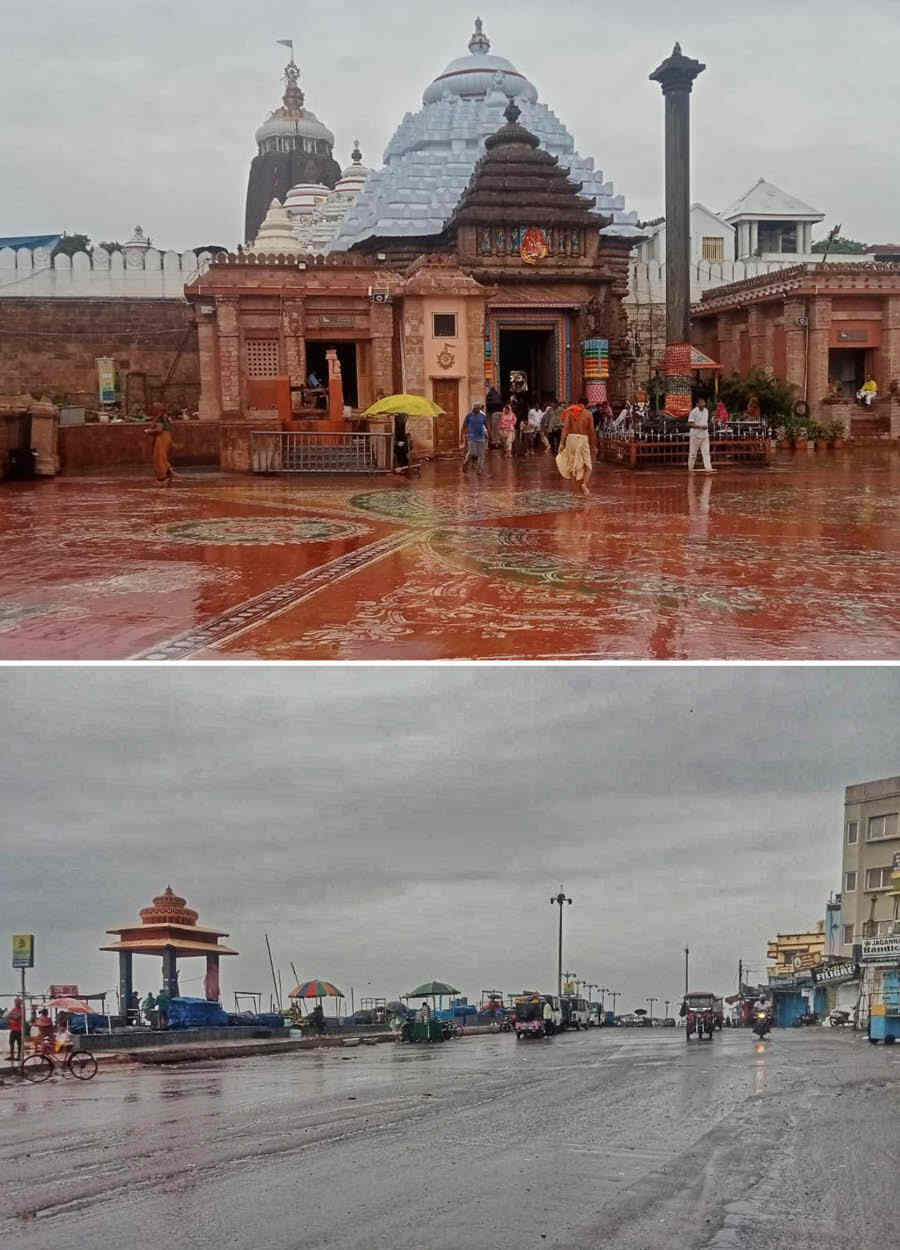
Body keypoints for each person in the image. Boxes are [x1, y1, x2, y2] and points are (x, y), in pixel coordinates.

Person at [556, 403, 596, 496]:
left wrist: (561, 443)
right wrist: (593, 445)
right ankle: (584, 484)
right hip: (583, 439)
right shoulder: (588, 414)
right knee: (587, 465)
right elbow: (592, 431)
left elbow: (565, 428)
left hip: (571, 439)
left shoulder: (570, 412)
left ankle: (575, 492)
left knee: (573, 466)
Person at [145, 404, 177, 488]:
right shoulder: (165, 417)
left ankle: (162, 478)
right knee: (162, 457)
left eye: (154, 408)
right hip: (167, 437)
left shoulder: (160, 418)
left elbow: (159, 430)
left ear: (157, 410)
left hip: (162, 438)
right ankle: (168, 472)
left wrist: (149, 431)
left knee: (158, 457)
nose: (152, 410)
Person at [687, 397, 715, 473]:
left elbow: (705, 422)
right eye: (701, 403)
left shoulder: (706, 411)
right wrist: (700, 426)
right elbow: (689, 424)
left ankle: (708, 468)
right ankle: (690, 468)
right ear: (697, 404)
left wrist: (705, 426)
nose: (703, 404)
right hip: (695, 435)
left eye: (704, 403)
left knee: (706, 452)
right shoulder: (693, 412)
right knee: (693, 453)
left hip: (705, 435)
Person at [460, 402, 488, 473]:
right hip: (471, 437)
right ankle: (465, 462)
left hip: (481, 437)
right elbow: (464, 426)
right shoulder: (469, 416)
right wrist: (461, 436)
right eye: (476, 409)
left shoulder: (482, 416)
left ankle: (479, 469)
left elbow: (487, 425)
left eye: (479, 409)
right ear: (473, 408)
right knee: (473, 453)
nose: (478, 410)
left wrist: (488, 435)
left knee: (481, 454)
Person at [5, 997, 23, 1061]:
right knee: (11, 1042)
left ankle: (19, 1056)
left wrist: (11, 1016)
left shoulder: (21, 1010)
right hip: (13, 1029)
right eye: (15, 1002)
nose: (16, 1003)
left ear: (20, 1003)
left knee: (19, 1044)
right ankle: (12, 1056)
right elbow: (6, 1016)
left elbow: (16, 1017)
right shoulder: (14, 1009)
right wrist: (11, 1017)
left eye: (17, 1002)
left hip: (18, 1030)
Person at [485, 383, 503, 447]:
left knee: (494, 428)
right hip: (500, 413)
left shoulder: (489, 395)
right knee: (499, 428)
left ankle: (495, 442)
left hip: (493, 413)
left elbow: (488, 404)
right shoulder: (498, 395)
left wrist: (487, 412)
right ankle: (498, 441)